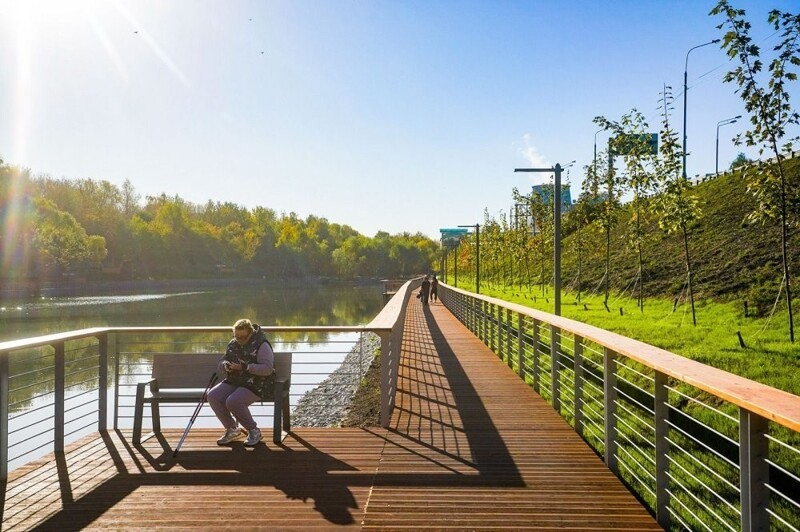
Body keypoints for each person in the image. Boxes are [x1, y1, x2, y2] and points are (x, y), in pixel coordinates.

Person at [208, 318, 275, 446]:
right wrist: (225, 365)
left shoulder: (262, 345)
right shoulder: (233, 343)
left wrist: (246, 367)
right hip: (235, 380)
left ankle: (254, 431)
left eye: (243, 337)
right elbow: (222, 361)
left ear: (251, 333)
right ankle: (232, 429)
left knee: (233, 401)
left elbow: (267, 369)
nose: (239, 339)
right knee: (213, 396)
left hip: (257, 382)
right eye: (236, 336)